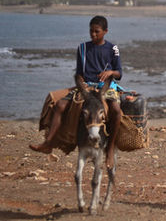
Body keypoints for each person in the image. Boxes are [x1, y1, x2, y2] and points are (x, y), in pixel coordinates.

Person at [30, 15, 122, 169]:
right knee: (59, 105)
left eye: (97, 31)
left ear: (105, 31)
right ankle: (48, 143)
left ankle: (110, 149)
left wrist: (110, 72)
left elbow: (119, 73)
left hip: (105, 87)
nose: (93, 34)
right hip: (85, 87)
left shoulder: (113, 48)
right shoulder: (82, 48)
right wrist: (82, 85)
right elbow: (79, 72)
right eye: (91, 31)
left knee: (116, 111)